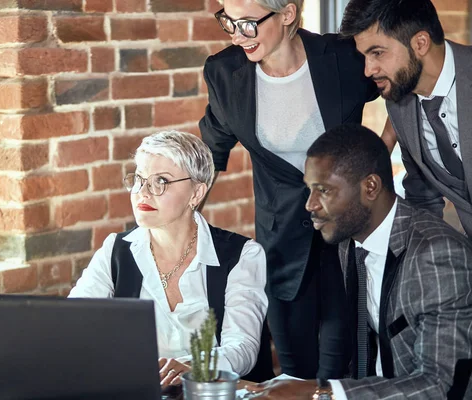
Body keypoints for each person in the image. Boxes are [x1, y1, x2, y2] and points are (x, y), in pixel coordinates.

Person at [199, 0, 380, 380]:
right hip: (281, 239)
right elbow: (210, 150)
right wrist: (183, 216)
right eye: (227, 22)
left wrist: (380, 157)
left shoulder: (342, 57)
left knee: (343, 367)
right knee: (294, 371)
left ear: (287, 15)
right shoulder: (225, 72)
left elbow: (398, 89)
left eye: (248, 23)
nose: (235, 35)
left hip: (351, 236)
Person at [249, 123, 472, 399]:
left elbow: (441, 384)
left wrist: (321, 393)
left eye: (323, 190)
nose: (310, 205)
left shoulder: (437, 255)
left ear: (370, 187)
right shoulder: (349, 240)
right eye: (309, 190)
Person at [69, 130, 268, 386]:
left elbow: (243, 348)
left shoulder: (243, 255)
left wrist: (192, 366)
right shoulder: (115, 251)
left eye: (161, 181)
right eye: (139, 179)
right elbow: (73, 326)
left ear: (196, 193)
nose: (143, 192)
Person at [340, 0, 472, 239]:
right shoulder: (399, 105)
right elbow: (423, 196)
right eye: (364, 56)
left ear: (420, 43)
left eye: (377, 53)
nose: (368, 70)